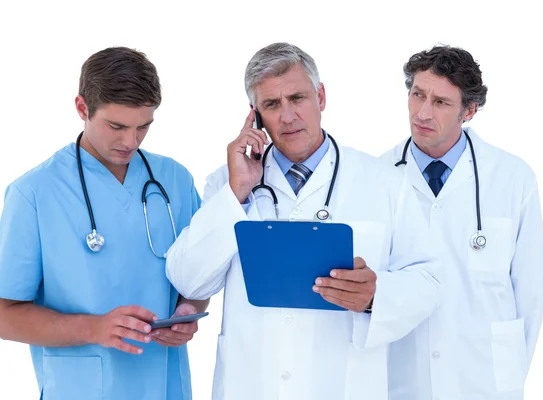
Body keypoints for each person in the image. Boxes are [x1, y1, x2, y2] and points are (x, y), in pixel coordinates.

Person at [165, 42, 441, 400]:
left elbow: (429, 280)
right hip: (251, 385)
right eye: (272, 105)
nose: (288, 116)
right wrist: (236, 194)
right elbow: (188, 280)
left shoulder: (384, 182)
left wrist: (376, 295)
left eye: (297, 98)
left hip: (341, 386)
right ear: (256, 115)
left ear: (321, 96)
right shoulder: (227, 183)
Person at [0, 46, 208, 400]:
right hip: (83, 389)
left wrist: (189, 310)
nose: (131, 141)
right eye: (117, 126)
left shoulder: (174, 179)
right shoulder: (33, 193)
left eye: (144, 127)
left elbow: (200, 277)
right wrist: (95, 328)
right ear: (82, 108)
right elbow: (6, 314)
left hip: (165, 384)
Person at [380, 45, 543, 400]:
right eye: (417, 95)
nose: (423, 113)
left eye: (440, 102)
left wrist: (509, 370)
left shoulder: (512, 177)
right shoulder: (376, 175)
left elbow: (532, 289)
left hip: (484, 380)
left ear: (468, 111)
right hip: (400, 378)